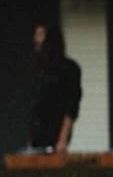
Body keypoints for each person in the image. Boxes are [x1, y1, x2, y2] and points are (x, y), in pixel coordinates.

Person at [29, 22, 82, 152]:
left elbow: (71, 107)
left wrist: (63, 138)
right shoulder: (39, 70)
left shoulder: (69, 69)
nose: (36, 39)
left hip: (57, 128)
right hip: (38, 130)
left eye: (40, 35)